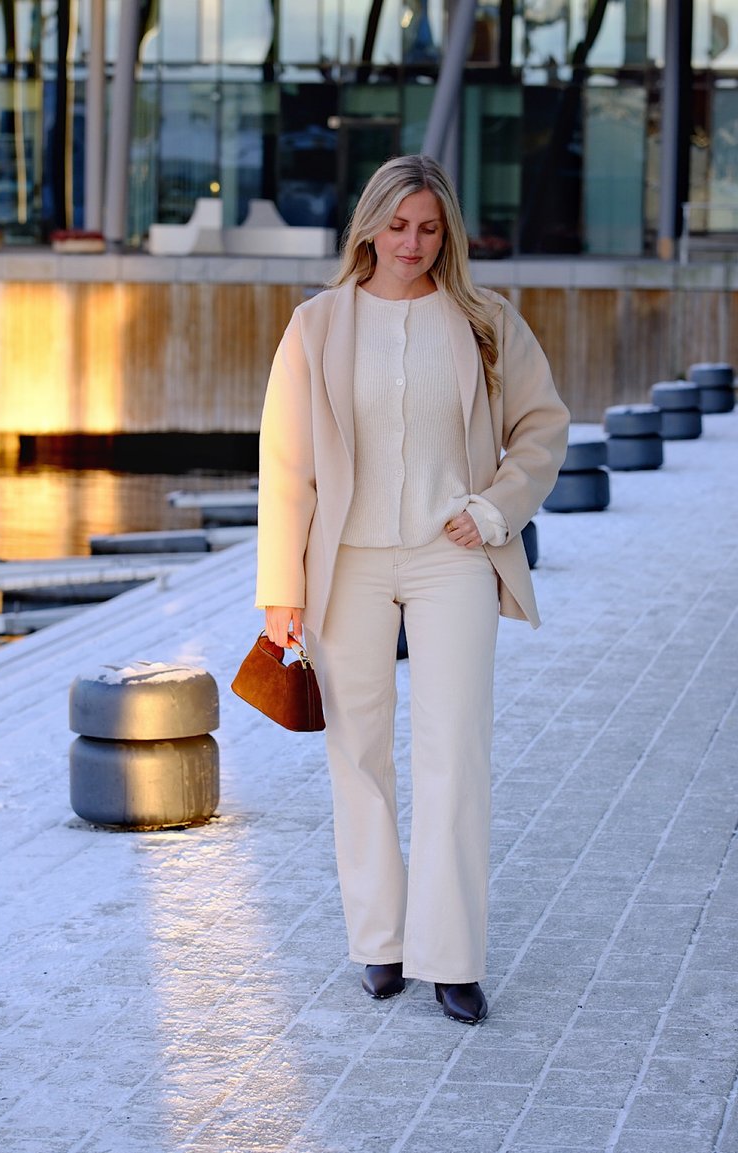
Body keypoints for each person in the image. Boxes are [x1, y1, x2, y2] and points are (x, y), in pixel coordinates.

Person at [255, 154, 569, 1024]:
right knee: (357, 753)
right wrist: (281, 588)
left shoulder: (485, 320)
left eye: (429, 228)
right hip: (346, 564)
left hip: (451, 557)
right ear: (369, 226)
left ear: (448, 232)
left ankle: (452, 956)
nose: (412, 243)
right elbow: (285, 465)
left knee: (455, 750)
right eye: (397, 225)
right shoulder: (316, 325)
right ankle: (380, 941)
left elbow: (543, 427)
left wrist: (496, 509)